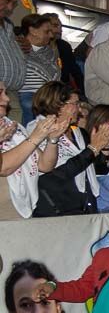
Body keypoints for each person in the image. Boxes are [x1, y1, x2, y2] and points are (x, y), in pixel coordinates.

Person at [33, 83, 109, 217]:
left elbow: (98, 169)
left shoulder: (79, 133)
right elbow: (57, 174)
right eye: (75, 104)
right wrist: (93, 148)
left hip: (85, 205)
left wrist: (105, 147)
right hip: (57, 207)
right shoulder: (37, 131)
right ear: (58, 105)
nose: (79, 109)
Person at [0, 80, 69, 218]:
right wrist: (36, 137)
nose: (7, 98)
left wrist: (52, 139)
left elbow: (45, 165)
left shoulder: (15, 127)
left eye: (5, 93)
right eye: (0, 93)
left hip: (22, 205)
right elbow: (4, 167)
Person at [15, 14, 60, 122]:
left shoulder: (50, 52)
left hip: (48, 95)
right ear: (33, 30)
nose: (51, 36)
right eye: (46, 32)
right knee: (30, 104)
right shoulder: (16, 48)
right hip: (25, 94)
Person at [0, 0, 27, 108]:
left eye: (13, 3)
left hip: (13, 95)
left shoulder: (8, 26)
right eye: (6, 1)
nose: (10, 8)